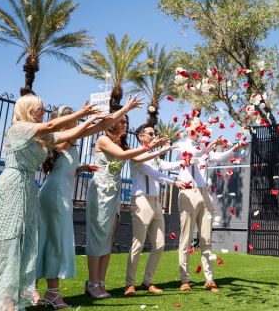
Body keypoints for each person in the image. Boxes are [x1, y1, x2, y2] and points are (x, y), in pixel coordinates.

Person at [0, 94, 100, 311]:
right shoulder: (18, 129)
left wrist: (101, 119)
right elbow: (51, 124)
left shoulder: (42, 137)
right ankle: (2, 301)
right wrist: (82, 113)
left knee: (22, 245)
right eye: (39, 108)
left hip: (28, 190)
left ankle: (10, 299)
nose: (42, 111)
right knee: (5, 244)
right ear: (28, 109)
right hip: (9, 190)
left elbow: (75, 132)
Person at [36, 95, 142, 308]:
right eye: (72, 118)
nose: (76, 122)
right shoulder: (59, 137)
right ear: (63, 121)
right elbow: (99, 127)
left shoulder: (70, 141)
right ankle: (47, 292)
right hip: (54, 193)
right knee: (50, 242)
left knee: (51, 242)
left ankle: (48, 292)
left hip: (62, 191)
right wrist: (90, 117)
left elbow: (64, 169)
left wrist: (81, 169)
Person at [85, 114, 168, 299]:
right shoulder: (103, 139)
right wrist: (152, 147)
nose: (125, 125)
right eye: (122, 122)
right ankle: (92, 283)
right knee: (98, 238)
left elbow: (144, 159)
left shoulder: (121, 145)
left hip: (114, 191)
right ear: (113, 124)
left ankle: (100, 283)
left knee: (109, 240)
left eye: (126, 122)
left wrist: (159, 148)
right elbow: (128, 157)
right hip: (100, 190)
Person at [174, 117, 245, 292]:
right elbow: (176, 165)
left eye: (201, 124)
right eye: (196, 123)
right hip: (188, 191)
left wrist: (234, 148)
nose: (200, 126)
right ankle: (185, 279)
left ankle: (209, 279)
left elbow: (218, 157)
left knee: (206, 239)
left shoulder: (203, 147)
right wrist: (211, 144)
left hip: (204, 194)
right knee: (186, 238)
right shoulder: (181, 146)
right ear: (189, 126)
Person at [124, 123, 181, 297]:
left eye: (154, 133)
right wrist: (174, 182)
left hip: (156, 202)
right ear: (141, 136)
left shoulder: (154, 156)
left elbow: (166, 165)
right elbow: (152, 173)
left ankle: (147, 282)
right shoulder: (136, 155)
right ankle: (129, 284)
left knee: (159, 244)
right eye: (151, 133)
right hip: (141, 200)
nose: (154, 135)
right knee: (138, 244)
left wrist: (184, 161)